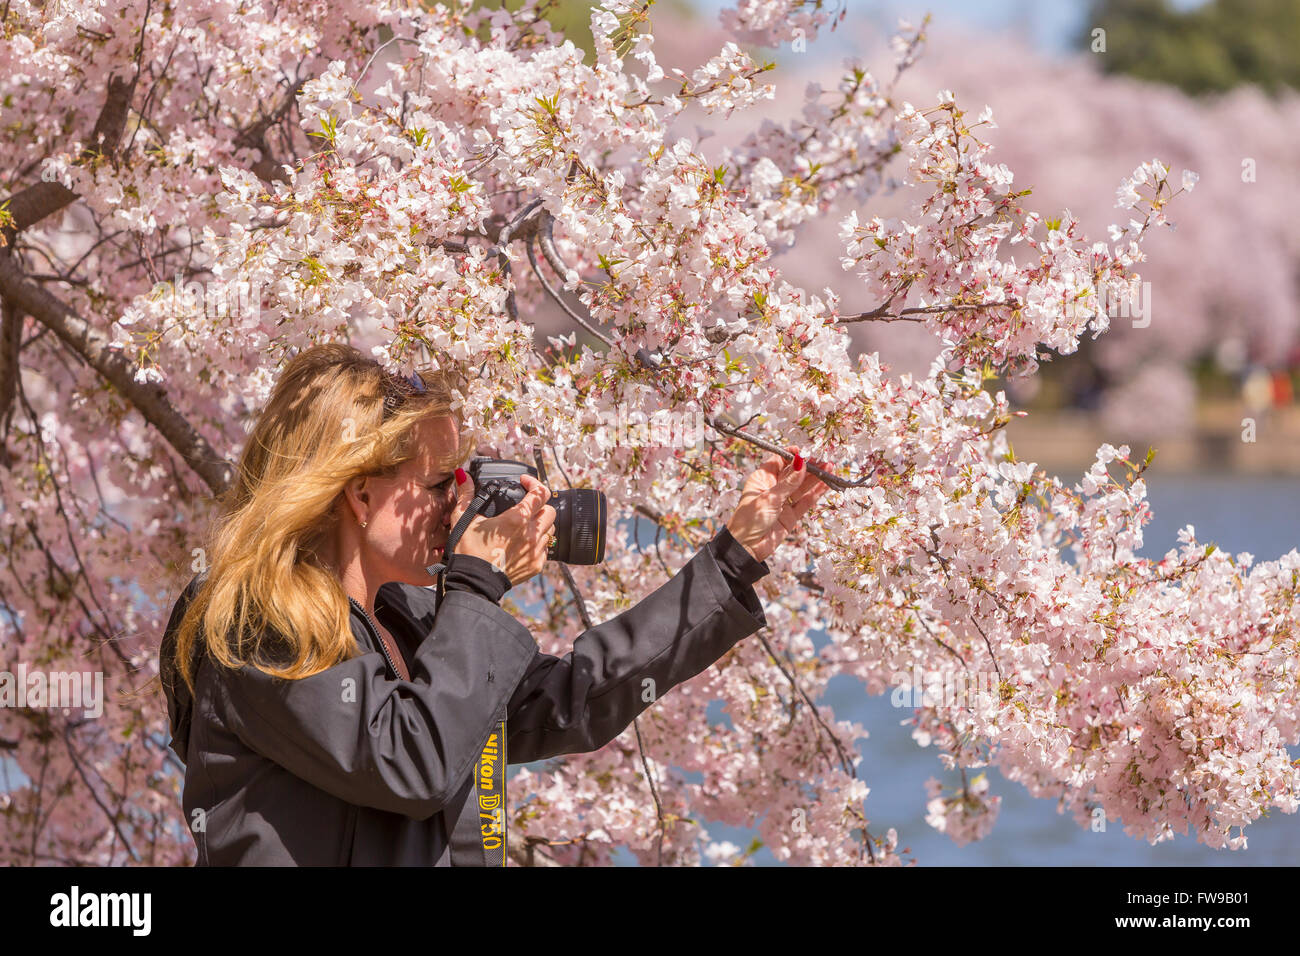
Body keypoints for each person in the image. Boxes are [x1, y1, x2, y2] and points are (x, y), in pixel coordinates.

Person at [159, 343, 829, 865]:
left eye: (464, 477)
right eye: (438, 482)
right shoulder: (254, 621)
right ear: (360, 495)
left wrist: (732, 560)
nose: (460, 503)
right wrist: (477, 585)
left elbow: (571, 700)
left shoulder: (407, 623)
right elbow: (409, 763)